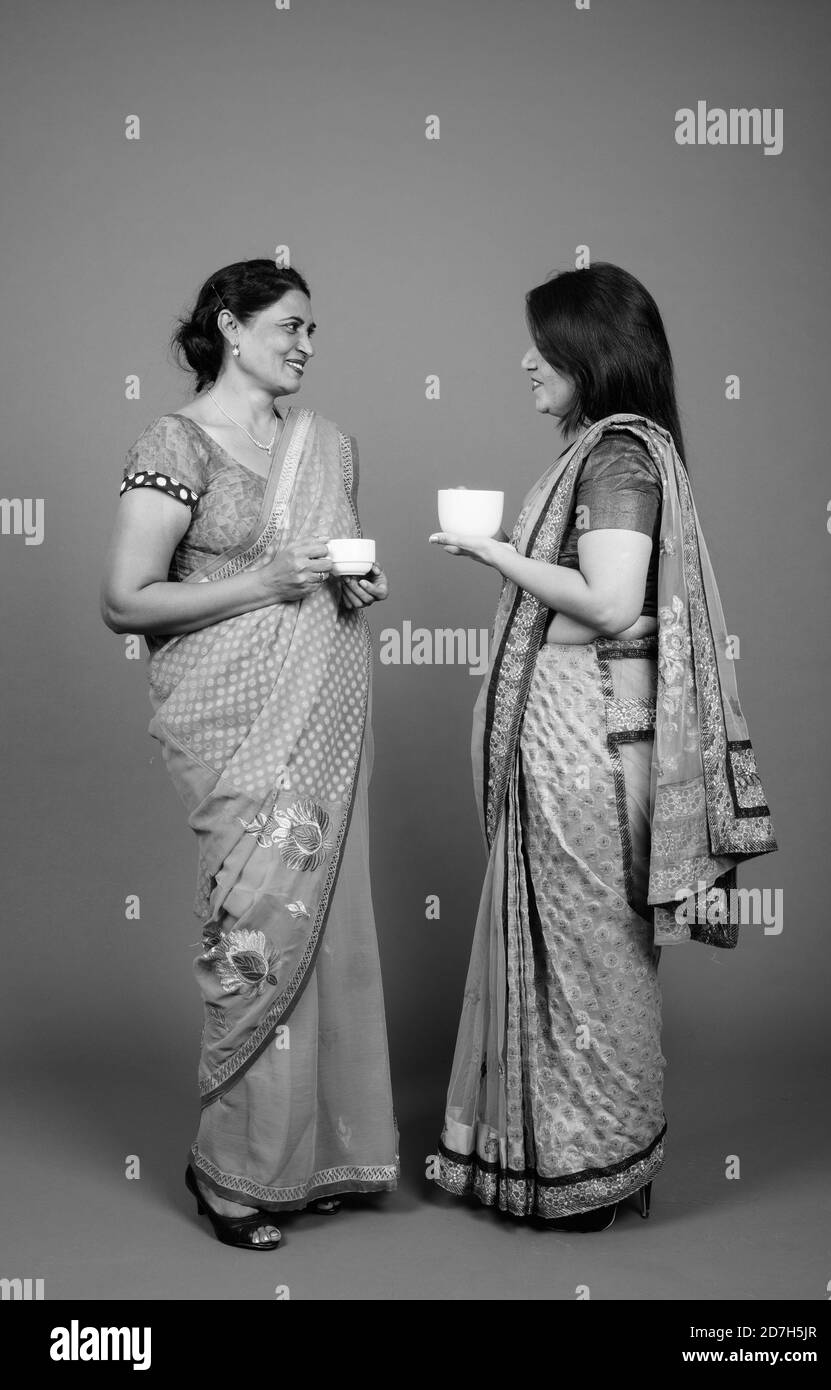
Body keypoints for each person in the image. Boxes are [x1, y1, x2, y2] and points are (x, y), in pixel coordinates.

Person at [429, 263, 777, 1230]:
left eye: (542, 348)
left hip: (584, 745)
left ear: (589, 353)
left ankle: (595, 1169)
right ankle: (592, 1164)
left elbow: (613, 603)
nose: (526, 363)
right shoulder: (602, 450)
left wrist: (495, 554)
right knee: (581, 953)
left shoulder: (616, 457)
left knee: (586, 956)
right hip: (580, 736)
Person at [101, 257, 399, 1249]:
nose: (309, 346)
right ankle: (229, 1171)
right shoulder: (176, 440)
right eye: (292, 326)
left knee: (318, 931)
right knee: (258, 932)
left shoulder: (330, 447)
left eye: (316, 330)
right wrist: (266, 583)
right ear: (231, 326)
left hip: (318, 713)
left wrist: (344, 588)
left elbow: (321, 571)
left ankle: (303, 1161)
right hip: (230, 726)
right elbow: (126, 600)